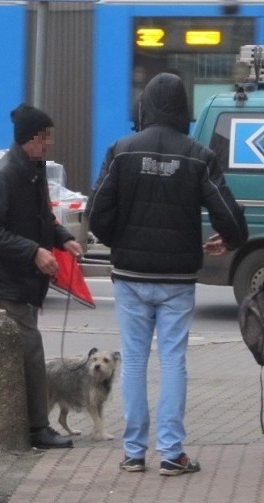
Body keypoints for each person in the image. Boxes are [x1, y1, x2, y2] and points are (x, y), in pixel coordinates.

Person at [86, 72, 248, 476]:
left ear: (145, 107)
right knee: (174, 361)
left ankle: (134, 453)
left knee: (136, 362)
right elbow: (230, 216)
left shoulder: (121, 150)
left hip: (130, 274)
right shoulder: (197, 155)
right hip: (176, 277)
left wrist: (119, 239)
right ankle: (172, 453)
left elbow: (96, 212)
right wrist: (227, 241)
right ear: (184, 110)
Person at [0, 103, 83, 450]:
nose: (49, 143)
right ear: (31, 139)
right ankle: (37, 428)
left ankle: (24, 424)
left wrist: (63, 239)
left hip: (24, 279)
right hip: (6, 280)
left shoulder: (33, 170)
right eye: (45, 137)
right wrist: (33, 251)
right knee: (31, 350)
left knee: (25, 351)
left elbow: (43, 220)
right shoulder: (5, 176)